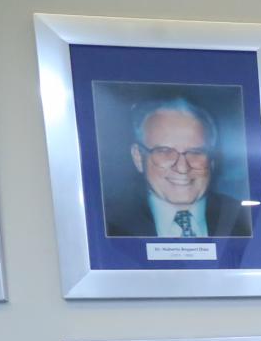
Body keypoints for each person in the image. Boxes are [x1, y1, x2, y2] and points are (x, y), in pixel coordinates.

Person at [105, 96, 252, 239]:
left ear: (212, 159)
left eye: (196, 152)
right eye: (164, 151)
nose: (182, 168)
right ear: (138, 157)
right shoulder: (108, 222)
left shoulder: (245, 220)